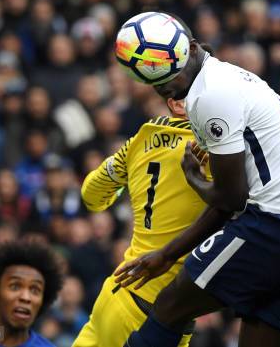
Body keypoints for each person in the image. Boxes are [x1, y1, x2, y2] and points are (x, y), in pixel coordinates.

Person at [114, 15, 280, 347]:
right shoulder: (229, 76)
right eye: (159, 82)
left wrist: (194, 179)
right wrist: (167, 254)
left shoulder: (209, 96)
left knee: (169, 307)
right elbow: (230, 199)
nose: (167, 88)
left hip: (279, 227)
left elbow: (230, 200)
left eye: (171, 76)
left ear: (192, 48)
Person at [71, 100, 209, 347]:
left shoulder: (141, 138)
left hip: (118, 291)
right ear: (176, 104)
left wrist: (127, 170)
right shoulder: (217, 149)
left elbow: (91, 196)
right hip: (152, 312)